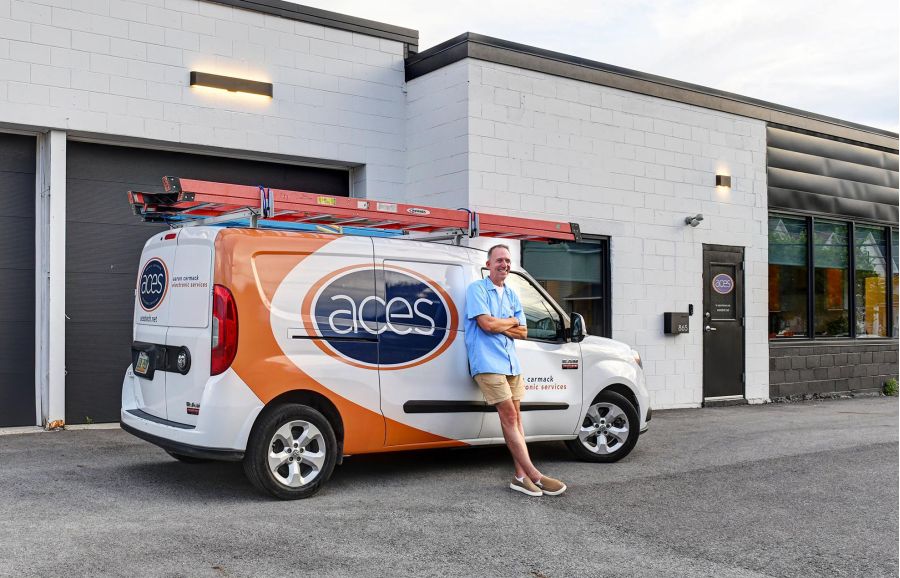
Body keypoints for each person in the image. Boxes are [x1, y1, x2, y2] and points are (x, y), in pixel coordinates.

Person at [464, 244, 567, 497]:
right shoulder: (477, 289)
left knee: (517, 419)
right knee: (509, 417)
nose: (505, 265)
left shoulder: (511, 294)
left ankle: (520, 477)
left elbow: (524, 331)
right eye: (499, 260)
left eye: (508, 261)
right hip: (487, 362)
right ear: (488, 264)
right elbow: (486, 324)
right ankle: (536, 475)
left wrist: (506, 324)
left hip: (511, 362)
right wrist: (510, 321)